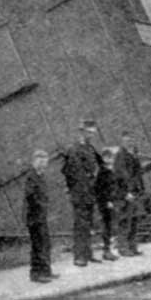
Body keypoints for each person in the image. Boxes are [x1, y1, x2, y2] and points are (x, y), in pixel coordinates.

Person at [61, 119, 102, 266]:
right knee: (80, 225)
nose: (91, 135)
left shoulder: (90, 149)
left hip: (89, 192)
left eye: (93, 133)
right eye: (89, 132)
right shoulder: (74, 149)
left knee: (89, 224)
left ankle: (88, 253)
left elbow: (98, 165)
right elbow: (70, 171)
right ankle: (79, 256)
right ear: (82, 132)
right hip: (79, 192)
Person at [24, 150, 59, 283]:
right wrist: (42, 205)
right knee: (38, 245)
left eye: (45, 161)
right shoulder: (31, 176)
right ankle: (36, 274)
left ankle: (46, 271)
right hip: (34, 217)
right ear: (34, 161)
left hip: (41, 216)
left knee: (45, 244)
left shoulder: (40, 176)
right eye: (40, 160)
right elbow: (31, 196)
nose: (43, 163)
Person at [113, 131, 144, 257]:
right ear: (122, 142)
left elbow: (137, 174)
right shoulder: (120, 156)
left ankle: (132, 246)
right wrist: (126, 193)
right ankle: (123, 248)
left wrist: (139, 189)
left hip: (135, 192)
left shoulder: (132, 155)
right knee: (125, 221)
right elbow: (120, 176)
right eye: (127, 141)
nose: (129, 143)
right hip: (126, 194)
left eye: (131, 140)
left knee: (134, 220)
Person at [95, 147, 118, 261]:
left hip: (111, 202)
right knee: (107, 226)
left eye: (111, 157)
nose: (110, 159)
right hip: (105, 203)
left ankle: (109, 249)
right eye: (108, 157)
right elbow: (100, 189)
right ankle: (106, 250)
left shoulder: (110, 170)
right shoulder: (102, 172)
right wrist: (107, 201)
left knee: (110, 226)